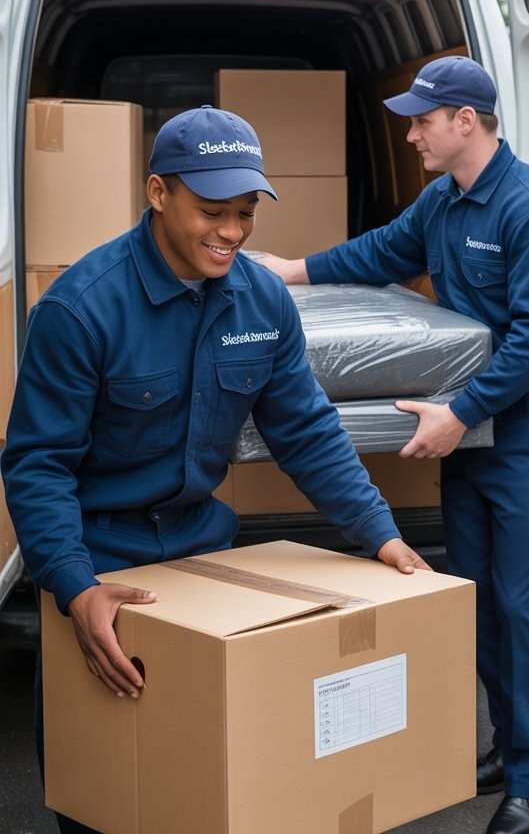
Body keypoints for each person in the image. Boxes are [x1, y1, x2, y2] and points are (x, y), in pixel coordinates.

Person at [1, 105, 427, 834]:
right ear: (158, 192)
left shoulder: (262, 300)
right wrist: (75, 589)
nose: (231, 232)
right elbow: (38, 465)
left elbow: (307, 431)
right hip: (102, 556)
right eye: (211, 211)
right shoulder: (81, 309)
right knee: (105, 786)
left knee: (208, 778)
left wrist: (381, 535)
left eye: (245, 212)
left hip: (203, 551)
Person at [260, 55, 529, 834]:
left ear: (465, 121)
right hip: (469, 430)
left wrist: (458, 411)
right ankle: (506, 746)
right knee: (475, 599)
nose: (411, 134)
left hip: (527, 429)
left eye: (422, 120)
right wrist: (292, 270)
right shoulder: (445, 201)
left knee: (524, 607)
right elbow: (380, 252)